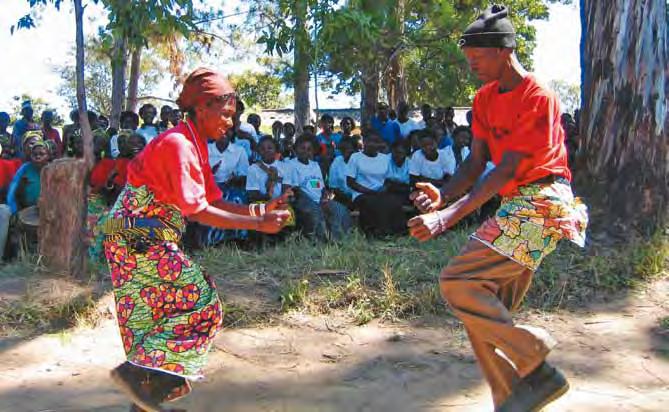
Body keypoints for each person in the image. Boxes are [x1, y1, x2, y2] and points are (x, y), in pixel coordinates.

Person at [408, 6, 588, 411]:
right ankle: (508, 395)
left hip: (543, 203)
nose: (472, 65)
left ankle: (532, 350)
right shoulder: (485, 98)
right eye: (468, 58)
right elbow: (476, 165)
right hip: (516, 204)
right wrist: (443, 195)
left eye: (478, 57)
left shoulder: (538, 97)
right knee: (481, 310)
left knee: (457, 283)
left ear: (505, 51)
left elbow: (506, 170)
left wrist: (446, 219)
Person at [101, 68, 291, 412]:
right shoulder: (178, 143)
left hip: (141, 236)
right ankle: (136, 379)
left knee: (154, 320)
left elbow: (214, 200)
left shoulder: (193, 144)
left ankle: (143, 399)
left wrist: (260, 209)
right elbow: (198, 209)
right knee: (200, 301)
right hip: (137, 236)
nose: (231, 123)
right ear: (202, 107)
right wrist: (258, 225)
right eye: (227, 114)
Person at [290, 134, 351, 241]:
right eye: (302, 148)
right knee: (316, 212)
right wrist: (315, 203)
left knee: (340, 210)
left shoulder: (315, 165)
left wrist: (324, 198)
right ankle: (320, 240)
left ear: (313, 151)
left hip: (319, 199)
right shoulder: (291, 164)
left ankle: (338, 238)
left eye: (309, 149)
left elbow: (320, 186)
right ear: (296, 149)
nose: (305, 151)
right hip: (303, 200)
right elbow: (296, 189)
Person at [195, 129, 250, 246]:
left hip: (232, 187)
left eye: (228, 130)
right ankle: (211, 241)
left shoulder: (239, 151)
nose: (224, 133)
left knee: (235, 200)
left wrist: (235, 179)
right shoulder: (205, 149)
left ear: (232, 132)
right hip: (208, 188)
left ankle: (235, 240)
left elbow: (244, 176)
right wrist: (210, 173)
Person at [346, 130, 405, 236]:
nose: (373, 144)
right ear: (364, 142)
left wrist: (385, 187)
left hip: (380, 192)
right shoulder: (355, 157)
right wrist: (369, 191)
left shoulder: (385, 158)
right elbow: (350, 182)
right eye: (370, 141)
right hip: (361, 194)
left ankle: (397, 232)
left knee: (394, 201)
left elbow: (388, 179)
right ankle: (376, 232)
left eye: (376, 141)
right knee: (373, 203)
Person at [7, 138, 49, 215]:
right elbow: (12, 189)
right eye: (34, 154)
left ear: (48, 156)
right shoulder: (25, 168)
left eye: (41, 154)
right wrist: (14, 211)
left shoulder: (53, 170)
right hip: (26, 210)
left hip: (48, 211)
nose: (38, 157)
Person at [246, 136, 293, 203]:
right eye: (262, 149)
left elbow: (286, 190)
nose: (266, 151)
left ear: (276, 150)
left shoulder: (285, 167)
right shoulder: (253, 169)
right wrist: (267, 197)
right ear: (258, 151)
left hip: (280, 203)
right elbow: (252, 194)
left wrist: (280, 201)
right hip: (260, 203)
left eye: (270, 148)